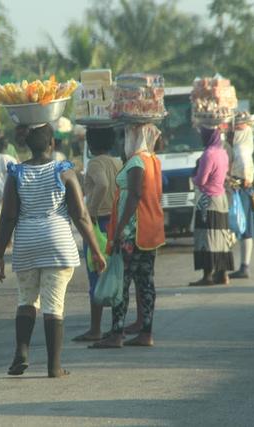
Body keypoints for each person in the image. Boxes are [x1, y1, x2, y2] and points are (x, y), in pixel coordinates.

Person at [0, 124, 106, 378]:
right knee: (53, 304)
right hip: (58, 244)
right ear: (52, 144)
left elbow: (8, 217)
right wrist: (97, 251)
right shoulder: (64, 171)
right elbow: (81, 215)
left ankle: (21, 352)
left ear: (26, 145)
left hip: (27, 244)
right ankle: (54, 366)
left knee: (26, 299)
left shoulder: (16, 174)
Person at [90, 123, 165, 349]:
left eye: (128, 135)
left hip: (132, 232)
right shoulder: (153, 160)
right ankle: (146, 332)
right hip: (150, 230)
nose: (125, 141)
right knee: (145, 283)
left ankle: (116, 333)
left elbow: (134, 195)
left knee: (121, 283)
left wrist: (120, 229)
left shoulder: (136, 161)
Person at [72, 127, 122, 342]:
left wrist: (89, 211)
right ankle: (115, 325)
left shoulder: (94, 163)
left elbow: (101, 184)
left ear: (90, 144)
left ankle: (95, 328)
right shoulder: (118, 162)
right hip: (115, 219)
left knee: (96, 274)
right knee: (114, 273)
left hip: (99, 222)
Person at [189, 128, 235, 286]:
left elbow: (201, 180)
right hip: (221, 199)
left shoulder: (208, 154)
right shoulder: (222, 152)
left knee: (206, 237)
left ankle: (207, 275)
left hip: (208, 200)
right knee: (220, 237)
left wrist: (193, 177)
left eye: (203, 135)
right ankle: (222, 274)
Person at [229, 116, 254, 279]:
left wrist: (238, 180)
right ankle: (243, 265)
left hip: (241, 188)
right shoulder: (244, 144)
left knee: (242, 226)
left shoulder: (240, 148)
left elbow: (245, 172)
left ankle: (244, 266)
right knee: (243, 228)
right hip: (243, 188)